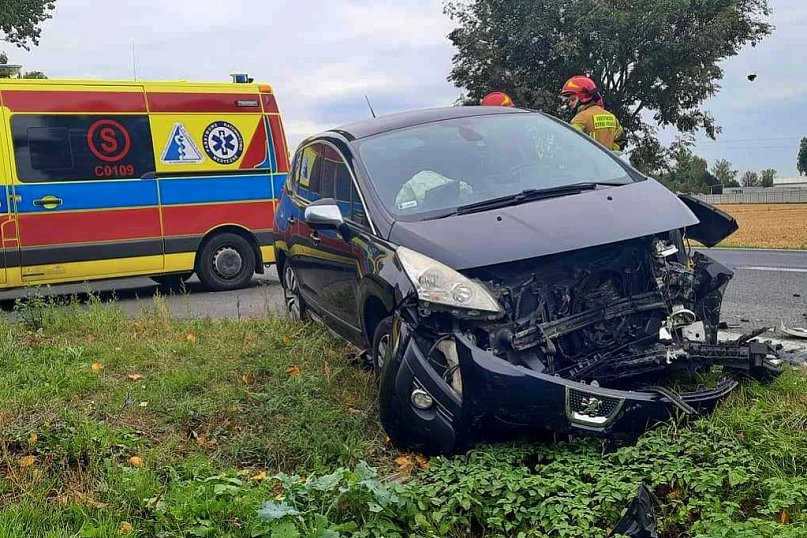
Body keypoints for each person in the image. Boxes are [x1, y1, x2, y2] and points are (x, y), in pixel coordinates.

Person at [560, 76, 624, 151]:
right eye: (568, 101)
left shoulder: (580, 118)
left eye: (573, 99)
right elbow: (621, 140)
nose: (570, 104)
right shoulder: (612, 117)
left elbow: (571, 144)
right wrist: (609, 153)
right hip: (606, 162)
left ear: (583, 96)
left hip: (586, 162)